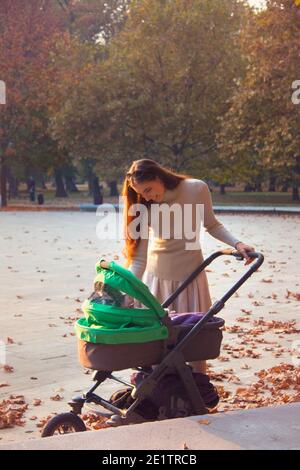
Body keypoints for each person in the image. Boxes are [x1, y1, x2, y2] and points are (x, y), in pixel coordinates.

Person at [122, 159, 255, 376]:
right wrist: (123, 290)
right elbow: (138, 259)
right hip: (157, 281)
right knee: (158, 347)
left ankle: (199, 390)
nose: (146, 196)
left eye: (148, 189)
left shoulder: (196, 189)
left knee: (196, 343)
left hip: (191, 277)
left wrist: (237, 244)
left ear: (158, 177)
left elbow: (212, 225)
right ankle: (160, 394)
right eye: (141, 193)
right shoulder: (144, 205)